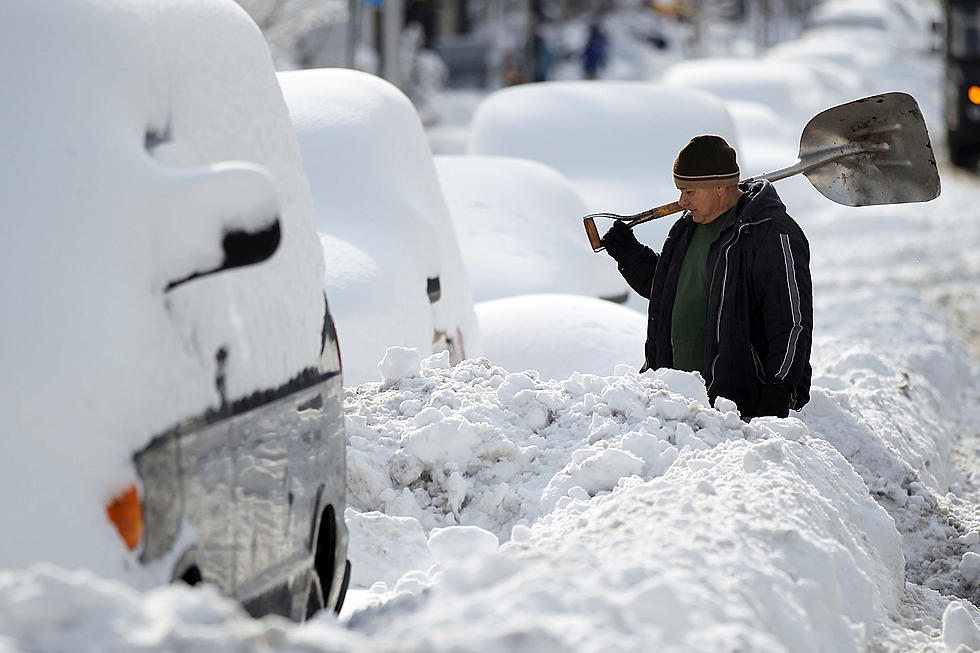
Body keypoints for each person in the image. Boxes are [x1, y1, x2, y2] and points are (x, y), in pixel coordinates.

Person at [601, 135, 812, 420]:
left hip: (735, 408)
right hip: (674, 404)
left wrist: (778, 391)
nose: (681, 202)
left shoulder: (769, 233)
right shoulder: (685, 229)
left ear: (720, 187)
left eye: (689, 192)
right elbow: (670, 293)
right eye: (679, 191)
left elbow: (791, 322)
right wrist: (629, 255)